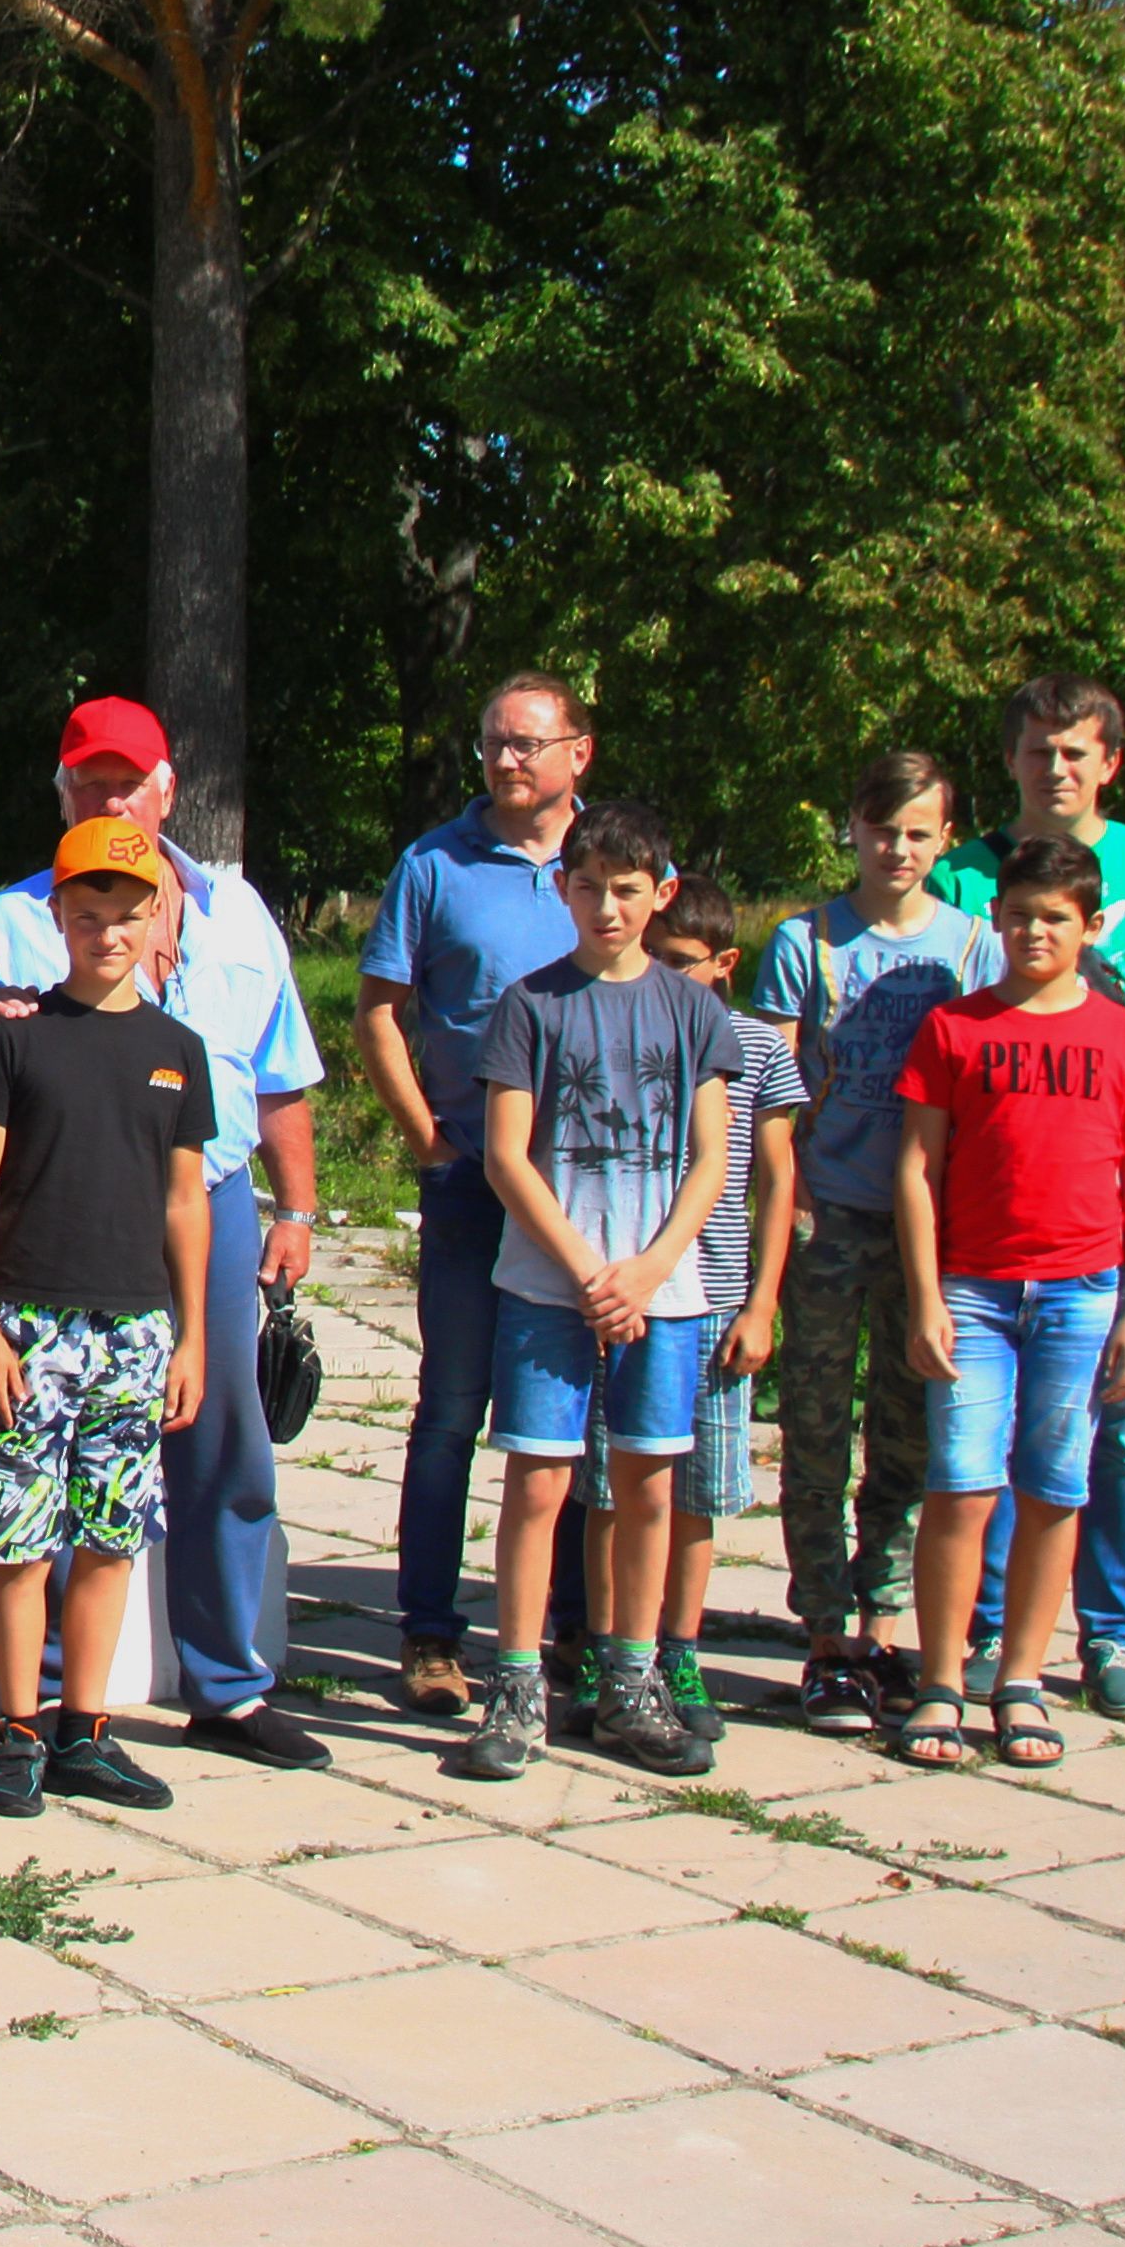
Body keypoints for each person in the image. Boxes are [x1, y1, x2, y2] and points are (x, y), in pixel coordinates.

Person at [0, 697, 334, 1769]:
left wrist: (294, 1208)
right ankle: (60, 1709)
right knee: (50, 1456)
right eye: (91, 780)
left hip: (200, 1200)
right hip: (57, 1214)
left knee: (218, 1439)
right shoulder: (13, 922)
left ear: (169, 789)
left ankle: (227, 1682)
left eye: (130, 779)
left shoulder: (240, 917)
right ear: (63, 792)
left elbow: (283, 1072)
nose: (112, 795)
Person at [930, 678, 1125, 1723]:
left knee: (1119, 1435)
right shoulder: (964, 876)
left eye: (1074, 751)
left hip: (1111, 1207)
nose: (1053, 768)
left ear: (1110, 760)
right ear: (1009, 760)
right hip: (987, 1208)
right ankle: (984, 1640)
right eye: (1035, 751)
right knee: (986, 1447)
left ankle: (1111, 1637)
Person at [443, 803, 738, 1784]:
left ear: (660, 894)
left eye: (626, 889)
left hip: (665, 1291)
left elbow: (711, 1156)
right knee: (539, 1481)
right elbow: (506, 1155)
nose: (606, 906)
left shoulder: (694, 1009)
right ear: (563, 891)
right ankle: (518, 1684)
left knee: (647, 1484)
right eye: (588, 887)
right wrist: (584, 1271)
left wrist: (649, 1272)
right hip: (547, 1285)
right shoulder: (531, 1005)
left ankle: (629, 1677)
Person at [890, 834, 1125, 1774]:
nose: (1034, 933)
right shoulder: (955, 1029)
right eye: (1018, 915)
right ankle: (940, 1679)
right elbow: (917, 1167)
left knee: (1056, 1486)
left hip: (1082, 1293)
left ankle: (1021, 1680)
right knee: (961, 1482)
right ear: (995, 920)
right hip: (972, 1294)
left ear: (1090, 927)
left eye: (1055, 918)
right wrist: (927, 1296)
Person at [0, 817, 207, 1816]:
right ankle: (16, 1730)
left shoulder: (179, 1052)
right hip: (29, 1324)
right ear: (56, 916)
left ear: (157, 920)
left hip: (136, 1331)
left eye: (127, 915)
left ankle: (85, 1727)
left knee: (111, 1535)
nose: (108, 932)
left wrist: (194, 1336)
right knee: (19, 1537)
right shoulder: (15, 1044)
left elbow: (188, 1201)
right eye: (88, 914)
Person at [357, 672, 599, 1716]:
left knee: (578, 1418)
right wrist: (425, 1139)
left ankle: (580, 1631)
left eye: (530, 745)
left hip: (592, 1192)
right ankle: (429, 1631)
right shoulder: (434, 863)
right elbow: (379, 1009)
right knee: (454, 1407)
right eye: (495, 744)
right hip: (470, 1181)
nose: (508, 762)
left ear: (577, 754)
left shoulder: (618, 863)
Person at [742, 751, 997, 1731]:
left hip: (927, 1227)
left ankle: (887, 1622)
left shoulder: (971, 946)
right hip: (825, 1215)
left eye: (919, 832)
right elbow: (766, 1082)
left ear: (944, 840)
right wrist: (780, 1199)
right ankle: (824, 1632)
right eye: (882, 828)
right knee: (814, 1426)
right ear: (852, 829)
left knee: (907, 1431)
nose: (898, 848)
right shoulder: (809, 942)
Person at [574, 874, 801, 1759]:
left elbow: (775, 1181)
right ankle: (604, 1652)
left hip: (713, 1300)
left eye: (682, 963)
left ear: (724, 965)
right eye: (655, 959)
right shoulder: (621, 1026)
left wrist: (762, 1301)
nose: (663, 975)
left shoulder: (755, 1048)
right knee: (608, 1481)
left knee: (696, 1488)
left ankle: (681, 1649)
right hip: (630, 1293)